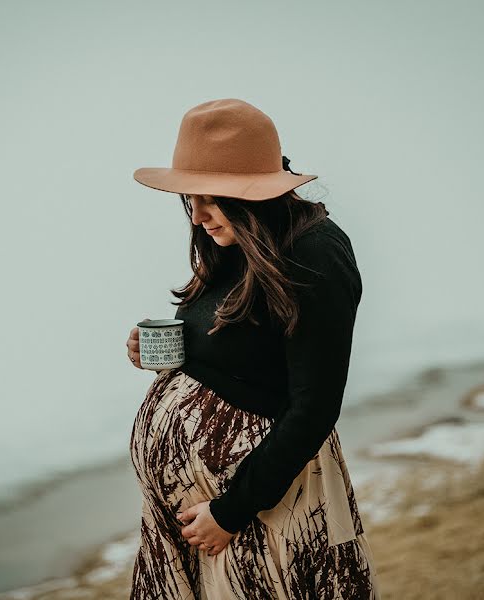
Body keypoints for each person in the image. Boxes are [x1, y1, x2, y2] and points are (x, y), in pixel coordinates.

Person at [125, 98, 380, 599]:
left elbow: (315, 404)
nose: (196, 216)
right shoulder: (236, 244)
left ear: (249, 193)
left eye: (208, 198)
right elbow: (239, 351)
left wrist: (232, 509)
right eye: (189, 199)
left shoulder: (315, 252)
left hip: (259, 508)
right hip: (196, 514)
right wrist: (169, 355)